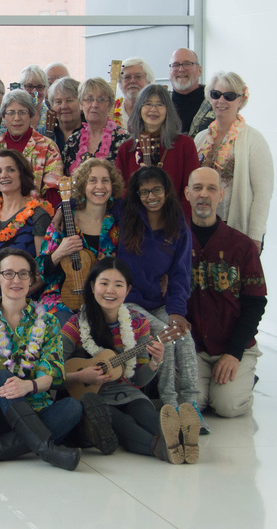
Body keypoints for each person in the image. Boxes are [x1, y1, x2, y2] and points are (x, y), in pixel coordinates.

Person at [59, 257, 193, 464]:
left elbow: (138, 380)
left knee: (148, 415)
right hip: (95, 397)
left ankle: (184, 441)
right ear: (93, 286)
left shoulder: (139, 323)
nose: (110, 290)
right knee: (123, 423)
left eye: (118, 285)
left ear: (128, 290)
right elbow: (52, 367)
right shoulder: (76, 325)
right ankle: (160, 449)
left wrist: (155, 362)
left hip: (128, 391)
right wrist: (80, 375)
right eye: (104, 283)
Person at [0, 248, 82, 471]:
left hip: (35, 410)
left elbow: (53, 374)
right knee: (3, 375)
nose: (16, 280)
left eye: (23, 274)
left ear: (32, 278)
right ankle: (46, 449)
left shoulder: (50, 323)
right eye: (9, 273)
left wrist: (28, 385)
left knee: (73, 407)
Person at [116, 166, 204, 431]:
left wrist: (178, 311)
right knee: (165, 336)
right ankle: (169, 404)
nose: (151, 196)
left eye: (156, 190)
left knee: (183, 336)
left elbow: (180, 273)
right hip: (129, 302)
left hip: (161, 303)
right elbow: (91, 197)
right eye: (144, 192)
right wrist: (64, 207)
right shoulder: (124, 213)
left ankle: (190, 405)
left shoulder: (178, 226)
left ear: (166, 191)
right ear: (137, 194)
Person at [186, 168, 266, 419]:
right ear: (187, 193)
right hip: (194, 347)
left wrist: (234, 353)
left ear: (221, 195)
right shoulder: (175, 241)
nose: (204, 194)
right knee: (195, 402)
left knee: (227, 406)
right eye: (197, 188)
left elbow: (255, 303)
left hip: (231, 345)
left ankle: (244, 374)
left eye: (211, 189)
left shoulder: (242, 245)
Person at [193, 72, 274, 247]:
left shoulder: (253, 140)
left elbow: (263, 193)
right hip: (201, 226)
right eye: (215, 94)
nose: (221, 101)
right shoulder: (200, 139)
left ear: (240, 100)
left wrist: (255, 235)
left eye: (229, 96)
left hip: (236, 228)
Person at [36, 158, 122, 321]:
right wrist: (59, 253)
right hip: (60, 300)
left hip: (103, 300)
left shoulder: (116, 225)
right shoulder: (63, 221)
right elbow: (40, 268)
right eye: (92, 180)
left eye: (105, 181)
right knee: (64, 329)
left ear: (113, 185)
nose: (100, 186)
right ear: (82, 185)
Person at [0, 149, 54, 296]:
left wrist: (15, 298)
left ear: (21, 174)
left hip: (27, 296)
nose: (3, 175)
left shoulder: (38, 215)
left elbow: (42, 272)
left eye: (10, 170)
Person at [114, 84, 200, 219]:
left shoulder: (185, 144)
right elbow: (118, 192)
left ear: (168, 110)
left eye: (160, 105)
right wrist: (135, 182)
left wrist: (180, 223)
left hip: (174, 221)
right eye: (148, 104)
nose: (153, 109)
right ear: (139, 109)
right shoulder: (126, 148)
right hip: (135, 222)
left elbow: (190, 190)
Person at [0, 89, 63, 206]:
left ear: (31, 115)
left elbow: (53, 190)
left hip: (36, 215)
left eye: (22, 112)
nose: (17, 118)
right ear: (3, 116)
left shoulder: (48, 147)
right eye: (11, 113)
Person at [61, 78, 129, 176]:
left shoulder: (124, 139)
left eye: (101, 99)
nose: (95, 105)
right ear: (81, 104)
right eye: (89, 99)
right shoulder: (72, 141)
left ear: (110, 105)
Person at [168, 48, 207, 134]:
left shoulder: (216, 102)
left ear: (199, 70)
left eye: (187, 64)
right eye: (176, 65)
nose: (181, 69)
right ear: (169, 72)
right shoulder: (160, 104)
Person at [47, 77, 82, 153]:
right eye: (58, 102)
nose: (64, 107)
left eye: (69, 101)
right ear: (52, 106)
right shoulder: (44, 133)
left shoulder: (92, 132)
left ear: (81, 103)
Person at [116, 58, 153, 128]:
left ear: (148, 82)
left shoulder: (156, 110)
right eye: (127, 77)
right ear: (120, 84)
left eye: (138, 77)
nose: (132, 81)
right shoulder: (110, 109)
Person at [18, 65, 52, 135]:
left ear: (46, 90)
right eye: (29, 86)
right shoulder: (11, 115)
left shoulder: (52, 117)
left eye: (39, 87)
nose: (34, 91)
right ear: (21, 88)